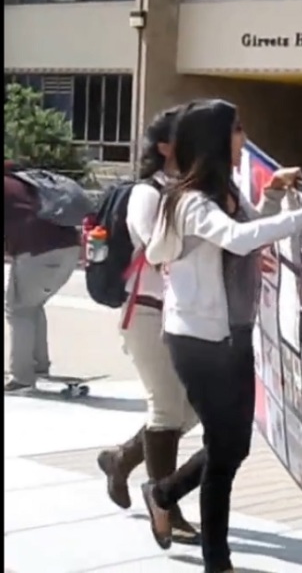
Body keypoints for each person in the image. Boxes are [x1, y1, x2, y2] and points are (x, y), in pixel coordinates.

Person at [139, 99, 302, 573]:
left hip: (235, 333)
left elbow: (249, 230)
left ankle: (163, 492)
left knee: (232, 446)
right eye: (237, 130)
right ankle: (218, 561)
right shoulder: (189, 201)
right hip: (196, 338)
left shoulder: (226, 191)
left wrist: (272, 195)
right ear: (214, 139)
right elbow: (237, 239)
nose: (243, 141)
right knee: (224, 450)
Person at [95, 106, 200, 544]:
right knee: (165, 408)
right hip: (147, 310)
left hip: (181, 314)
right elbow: (157, 250)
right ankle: (166, 504)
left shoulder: (188, 191)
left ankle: (122, 458)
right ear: (165, 148)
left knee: (190, 409)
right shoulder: (147, 193)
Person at [4, 161, 81, 392]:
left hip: (39, 252)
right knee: (31, 305)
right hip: (68, 249)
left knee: (19, 310)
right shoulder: (24, 182)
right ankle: (38, 366)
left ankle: (22, 378)